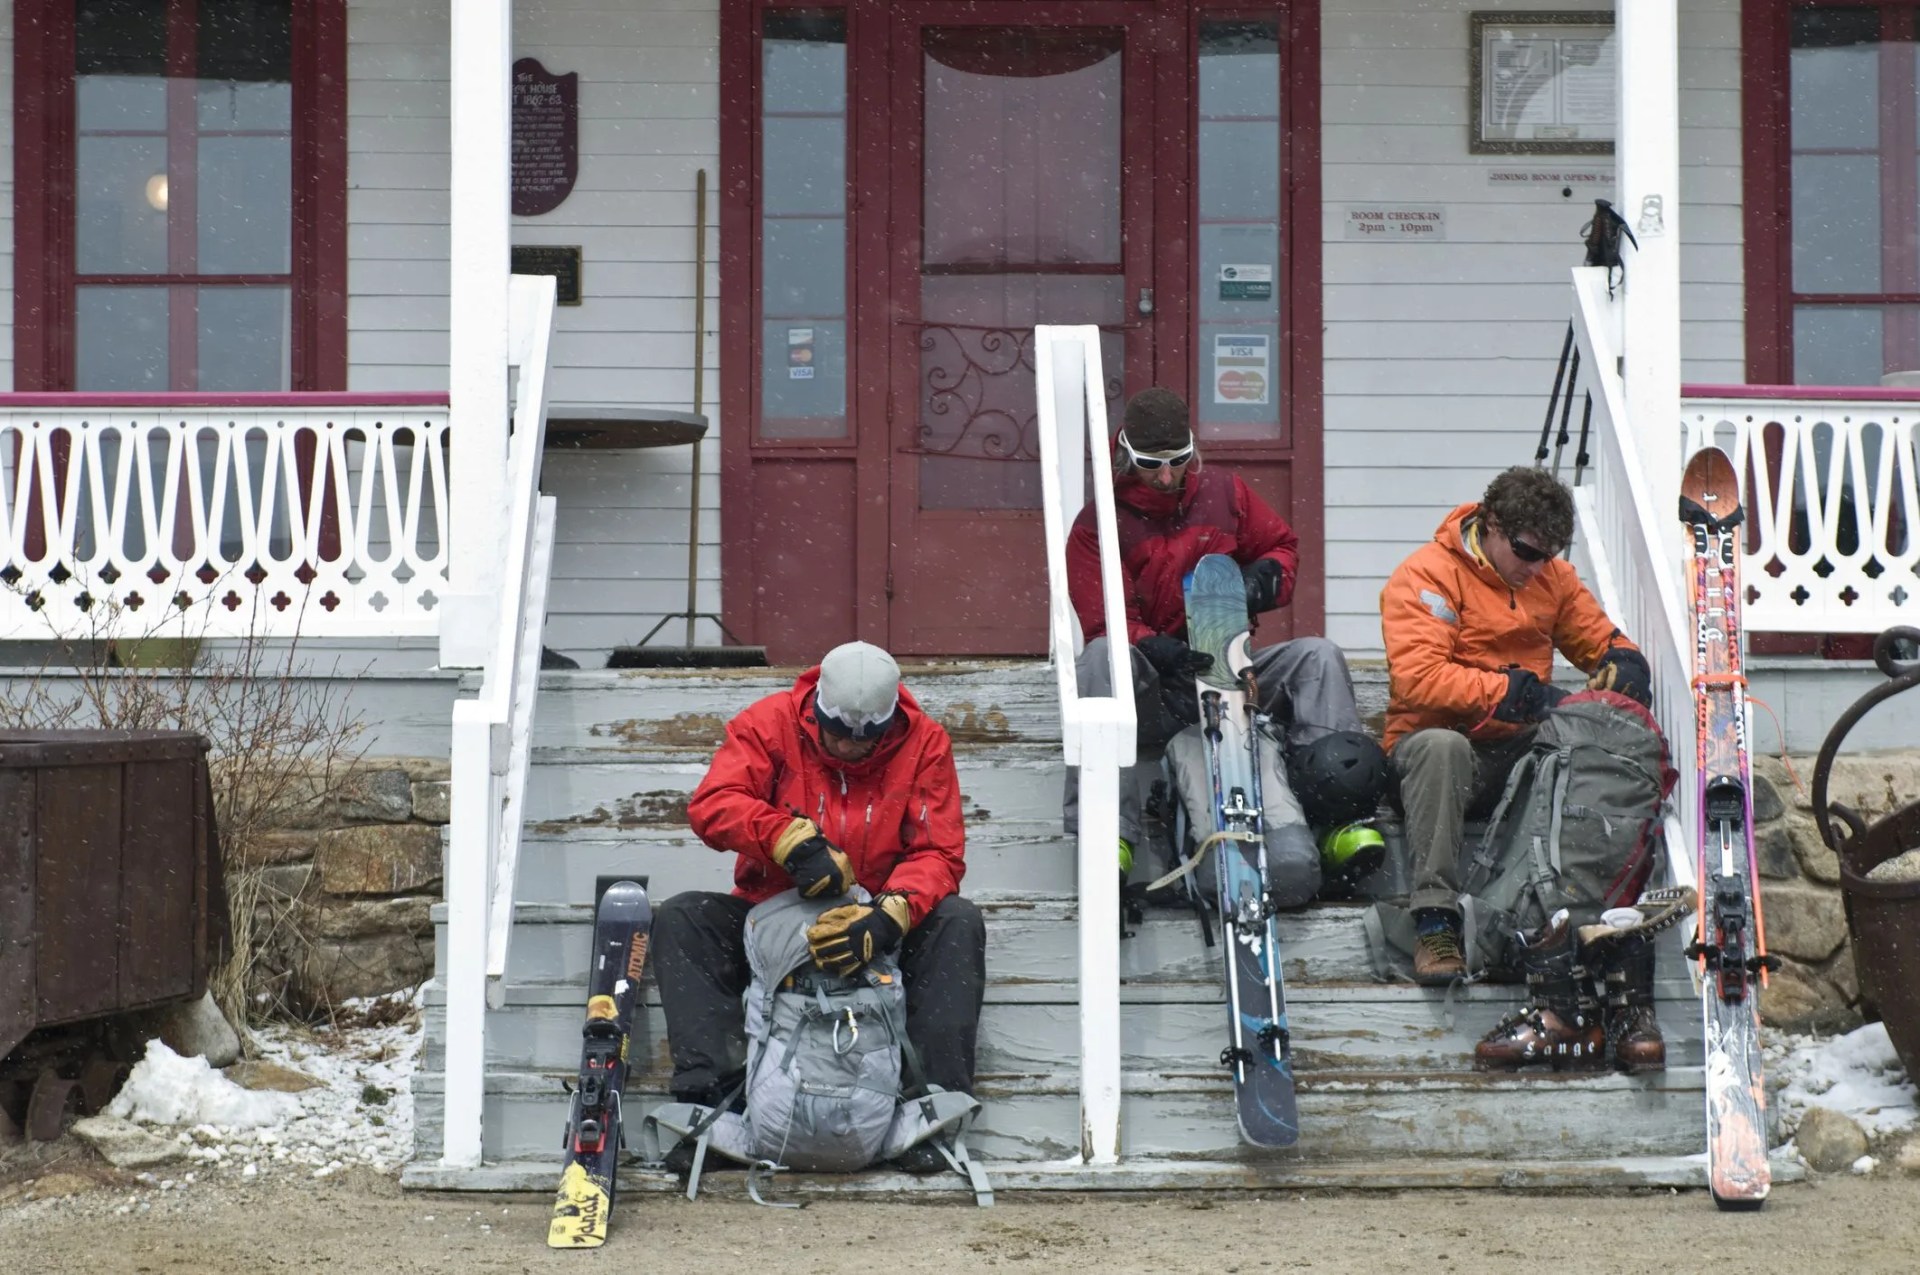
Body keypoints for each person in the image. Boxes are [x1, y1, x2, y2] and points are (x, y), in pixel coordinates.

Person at [652, 640, 986, 1174]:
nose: (851, 748)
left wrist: (891, 913)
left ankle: (928, 1109)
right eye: (837, 735)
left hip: (876, 922)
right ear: (816, 710)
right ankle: (714, 1106)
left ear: (891, 718)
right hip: (772, 918)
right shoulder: (768, 723)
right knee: (684, 918)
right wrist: (786, 840)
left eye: (867, 739)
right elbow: (713, 804)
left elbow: (938, 852)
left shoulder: (925, 743)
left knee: (957, 923)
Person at [1379, 466, 1665, 1062]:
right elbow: (1419, 678)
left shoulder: (1552, 579)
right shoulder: (1425, 576)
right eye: (1529, 551)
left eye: (1549, 555)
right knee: (1443, 746)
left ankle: (1569, 922)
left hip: (1515, 751)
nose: (1537, 566)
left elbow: (1600, 640)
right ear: (1492, 527)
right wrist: (1514, 692)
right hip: (1434, 747)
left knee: (1577, 749)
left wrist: (1624, 662)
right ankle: (1434, 919)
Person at [1063, 387, 1387, 907]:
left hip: (1224, 671)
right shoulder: (1097, 523)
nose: (1166, 477)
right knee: (1100, 660)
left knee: (1316, 655)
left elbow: (1282, 546)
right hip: (1154, 688)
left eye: (1177, 461)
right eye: (1151, 465)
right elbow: (1105, 619)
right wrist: (1157, 646)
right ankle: (1111, 837)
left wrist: (1265, 578)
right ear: (1126, 454)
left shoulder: (1225, 492)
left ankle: (1337, 822)